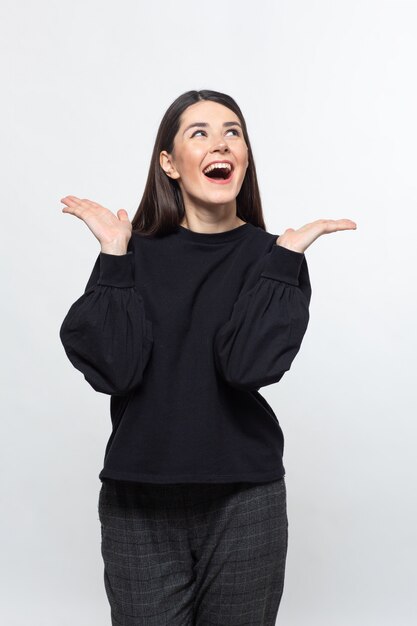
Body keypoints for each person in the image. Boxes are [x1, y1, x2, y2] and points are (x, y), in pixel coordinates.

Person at [59, 89, 356, 626]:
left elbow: (248, 367)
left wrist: (284, 260)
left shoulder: (274, 259)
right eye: (199, 132)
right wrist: (113, 257)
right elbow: (113, 369)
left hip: (245, 498)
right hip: (138, 500)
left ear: (244, 156)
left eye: (233, 132)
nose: (221, 143)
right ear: (169, 163)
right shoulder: (131, 255)